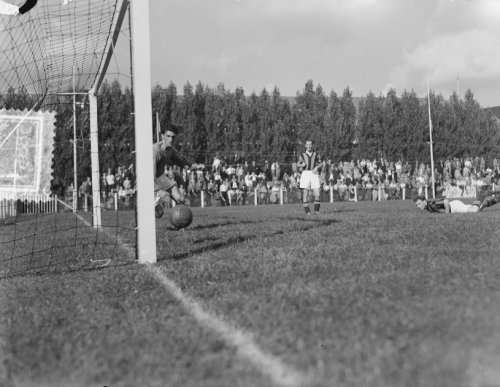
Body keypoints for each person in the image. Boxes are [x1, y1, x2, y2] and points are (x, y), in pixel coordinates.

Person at [153, 125, 191, 218]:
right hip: (148, 180)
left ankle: (181, 222)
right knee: (161, 208)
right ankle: (153, 206)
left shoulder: (170, 150)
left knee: (180, 198)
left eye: (173, 137)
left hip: (160, 178)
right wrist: (157, 191)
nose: (171, 139)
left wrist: (190, 165)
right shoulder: (155, 151)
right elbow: (150, 175)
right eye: (168, 136)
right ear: (162, 136)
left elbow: (180, 161)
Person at [297, 140, 324, 214]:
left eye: (310, 144)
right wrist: (301, 165)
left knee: (317, 193)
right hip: (305, 173)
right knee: (305, 193)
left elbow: (321, 163)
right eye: (307, 144)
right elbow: (298, 164)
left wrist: (317, 167)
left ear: (312, 145)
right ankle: (308, 212)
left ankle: (316, 211)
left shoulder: (316, 154)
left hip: (314, 173)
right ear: (305, 146)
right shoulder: (302, 155)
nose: (309, 146)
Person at [414, 192, 499, 214]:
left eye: (419, 203)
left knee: (474, 211)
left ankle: (481, 195)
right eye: (417, 205)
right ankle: (491, 201)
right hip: (454, 207)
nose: (418, 206)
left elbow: (446, 201)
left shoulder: (431, 204)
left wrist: (447, 215)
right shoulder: (428, 206)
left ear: (424, 201)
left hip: (454, 207)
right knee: (478, 210)